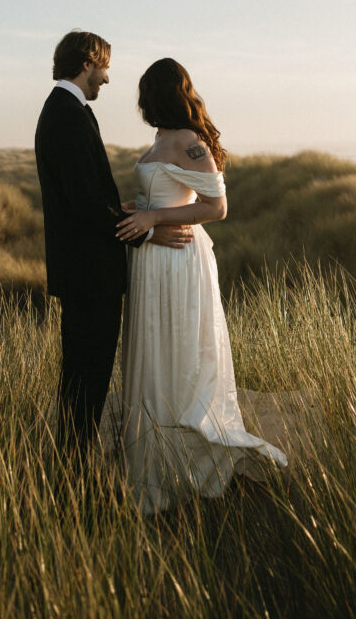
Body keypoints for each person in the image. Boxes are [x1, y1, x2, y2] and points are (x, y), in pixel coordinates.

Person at [117, 58, 287, 513]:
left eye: (145, 92)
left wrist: (155, 216)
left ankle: (187, 464)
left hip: (178, 261)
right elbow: (166, 196)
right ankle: (149, 464)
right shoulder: (159, 140)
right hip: (150, 260)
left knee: (178, 354)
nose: (141, 101)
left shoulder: (191, 142)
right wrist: (143, 207)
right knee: (152, 351)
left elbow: (216, 207)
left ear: (160, 93)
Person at [35, 32, 194, 462]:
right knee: (87, 380)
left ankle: (71, 463)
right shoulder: (67, 114)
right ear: (87, 63)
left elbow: (83, 197)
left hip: (85, 272)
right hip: (89, 276)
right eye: (104, 68)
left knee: (82, 378)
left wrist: (116, 208)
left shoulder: (66, 110)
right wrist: (145, 228)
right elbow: (84, 205)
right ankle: (72, 472)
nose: (106, 78)